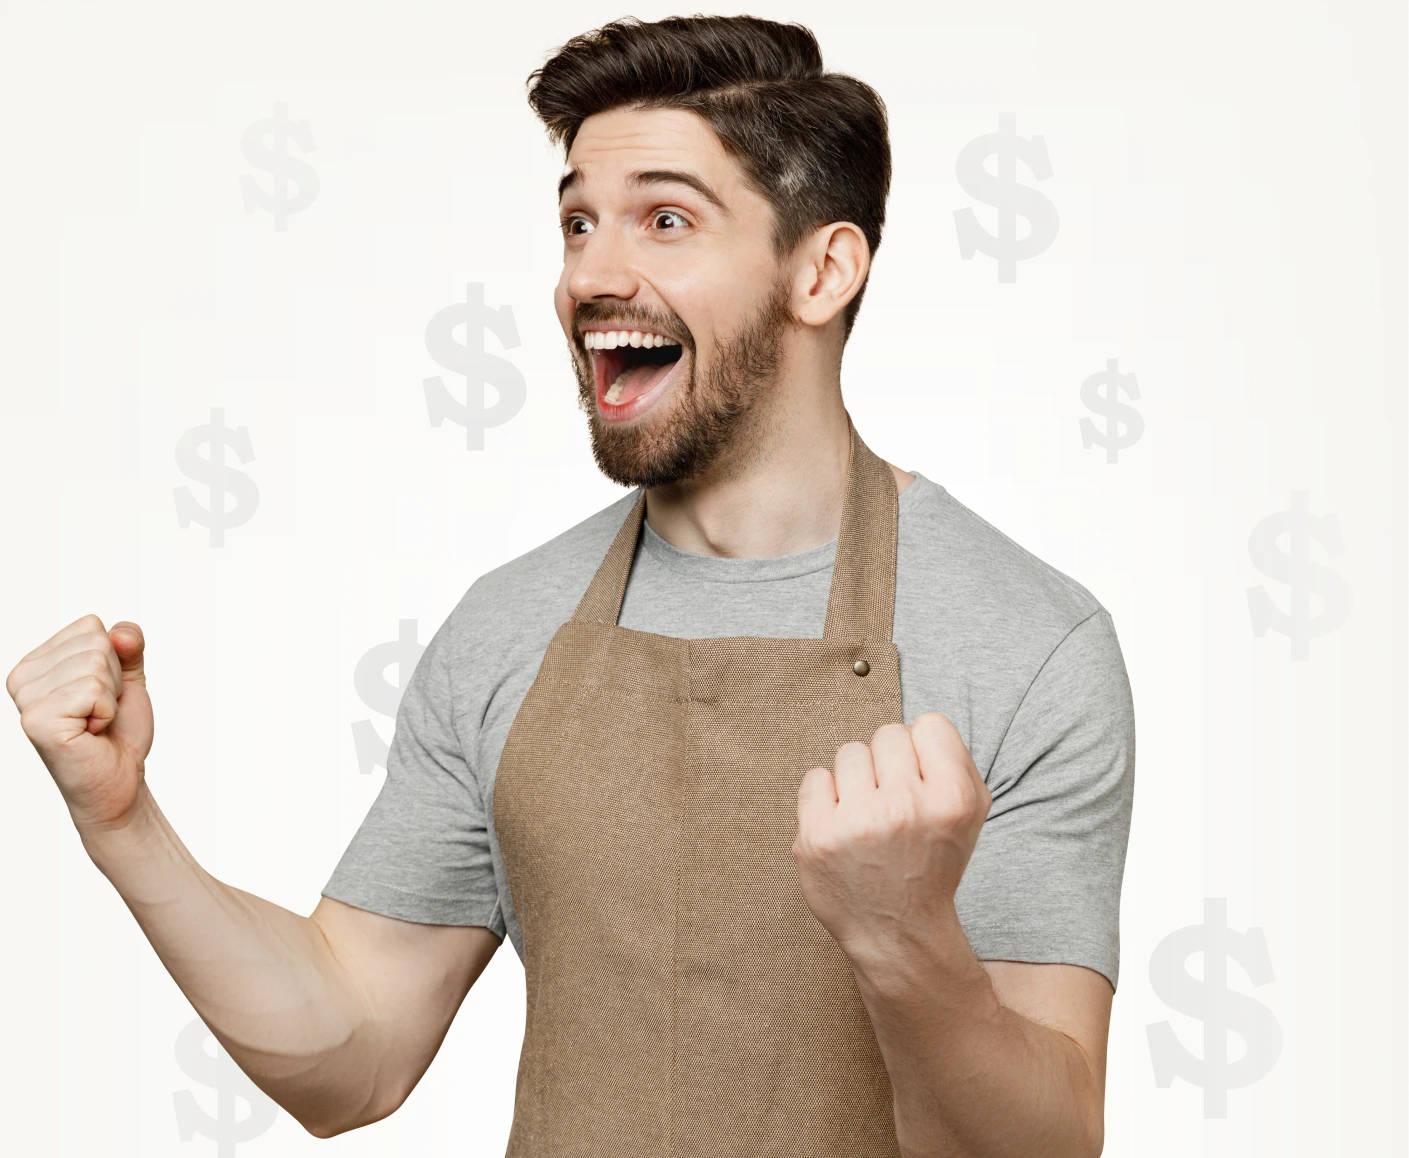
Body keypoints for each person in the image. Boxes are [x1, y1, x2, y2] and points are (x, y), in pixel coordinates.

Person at [7, 15, 1134, 1156]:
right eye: (576, 224)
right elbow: (348, 1056)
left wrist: (904, 940)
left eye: (664, 219)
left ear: (821, 270)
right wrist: (122, 821)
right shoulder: (508, 627)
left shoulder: (1025, 642)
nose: (591, 275)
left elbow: (1041, 1145)